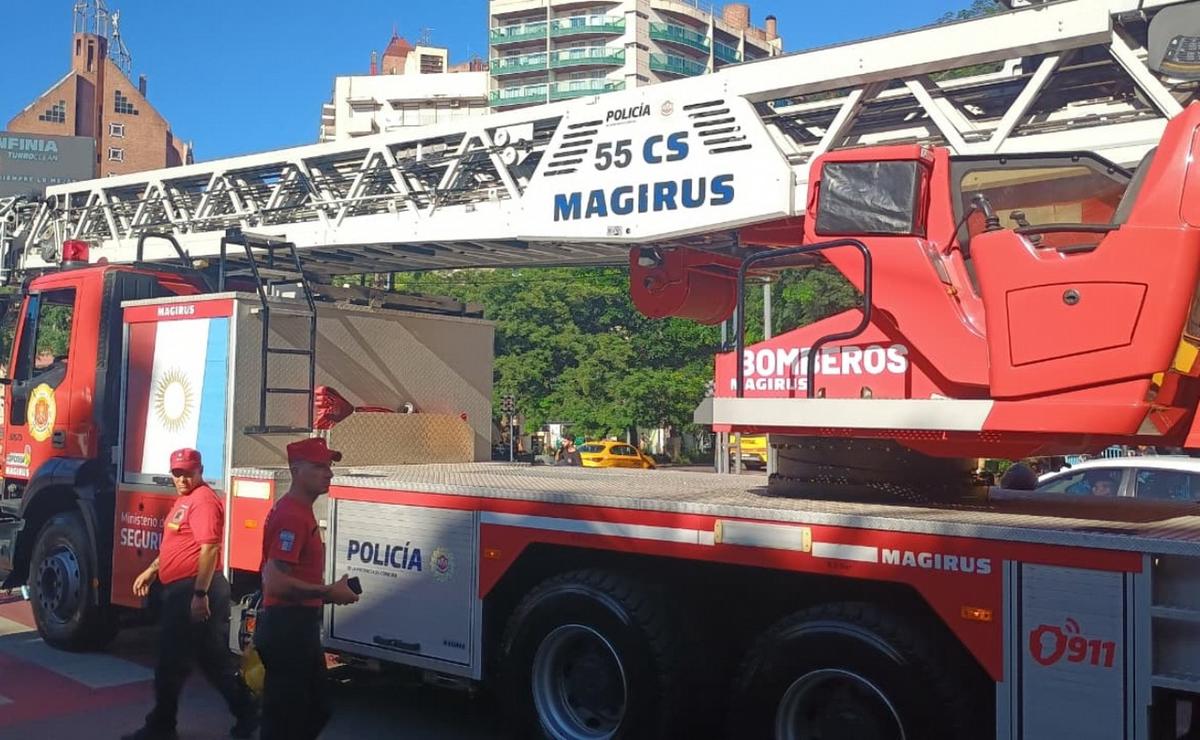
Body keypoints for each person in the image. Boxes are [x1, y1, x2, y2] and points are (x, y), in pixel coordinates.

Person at [123, 449, 257, 740]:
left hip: (193, 590)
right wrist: (153, 570)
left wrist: (199, 594)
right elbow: (178, 544)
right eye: (177, 473)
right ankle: (248, 713)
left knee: (170, 661)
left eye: (188, 473)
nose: (182, 478)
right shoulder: (185, 500)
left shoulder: (204, 501)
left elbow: (209, 549)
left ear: (200, 471)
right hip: (183, 589)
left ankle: (161, 726)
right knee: (211, 660)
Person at [255, 438, 360, 740]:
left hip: (297, 625)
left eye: (329, 466)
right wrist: (329, 592)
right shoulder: (292, 516)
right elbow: (275, 582)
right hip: (288, 626)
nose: (328, 473)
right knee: (287, 719)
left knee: (315, 709)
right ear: (296, 470)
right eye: (319, 466)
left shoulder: (299, 512)